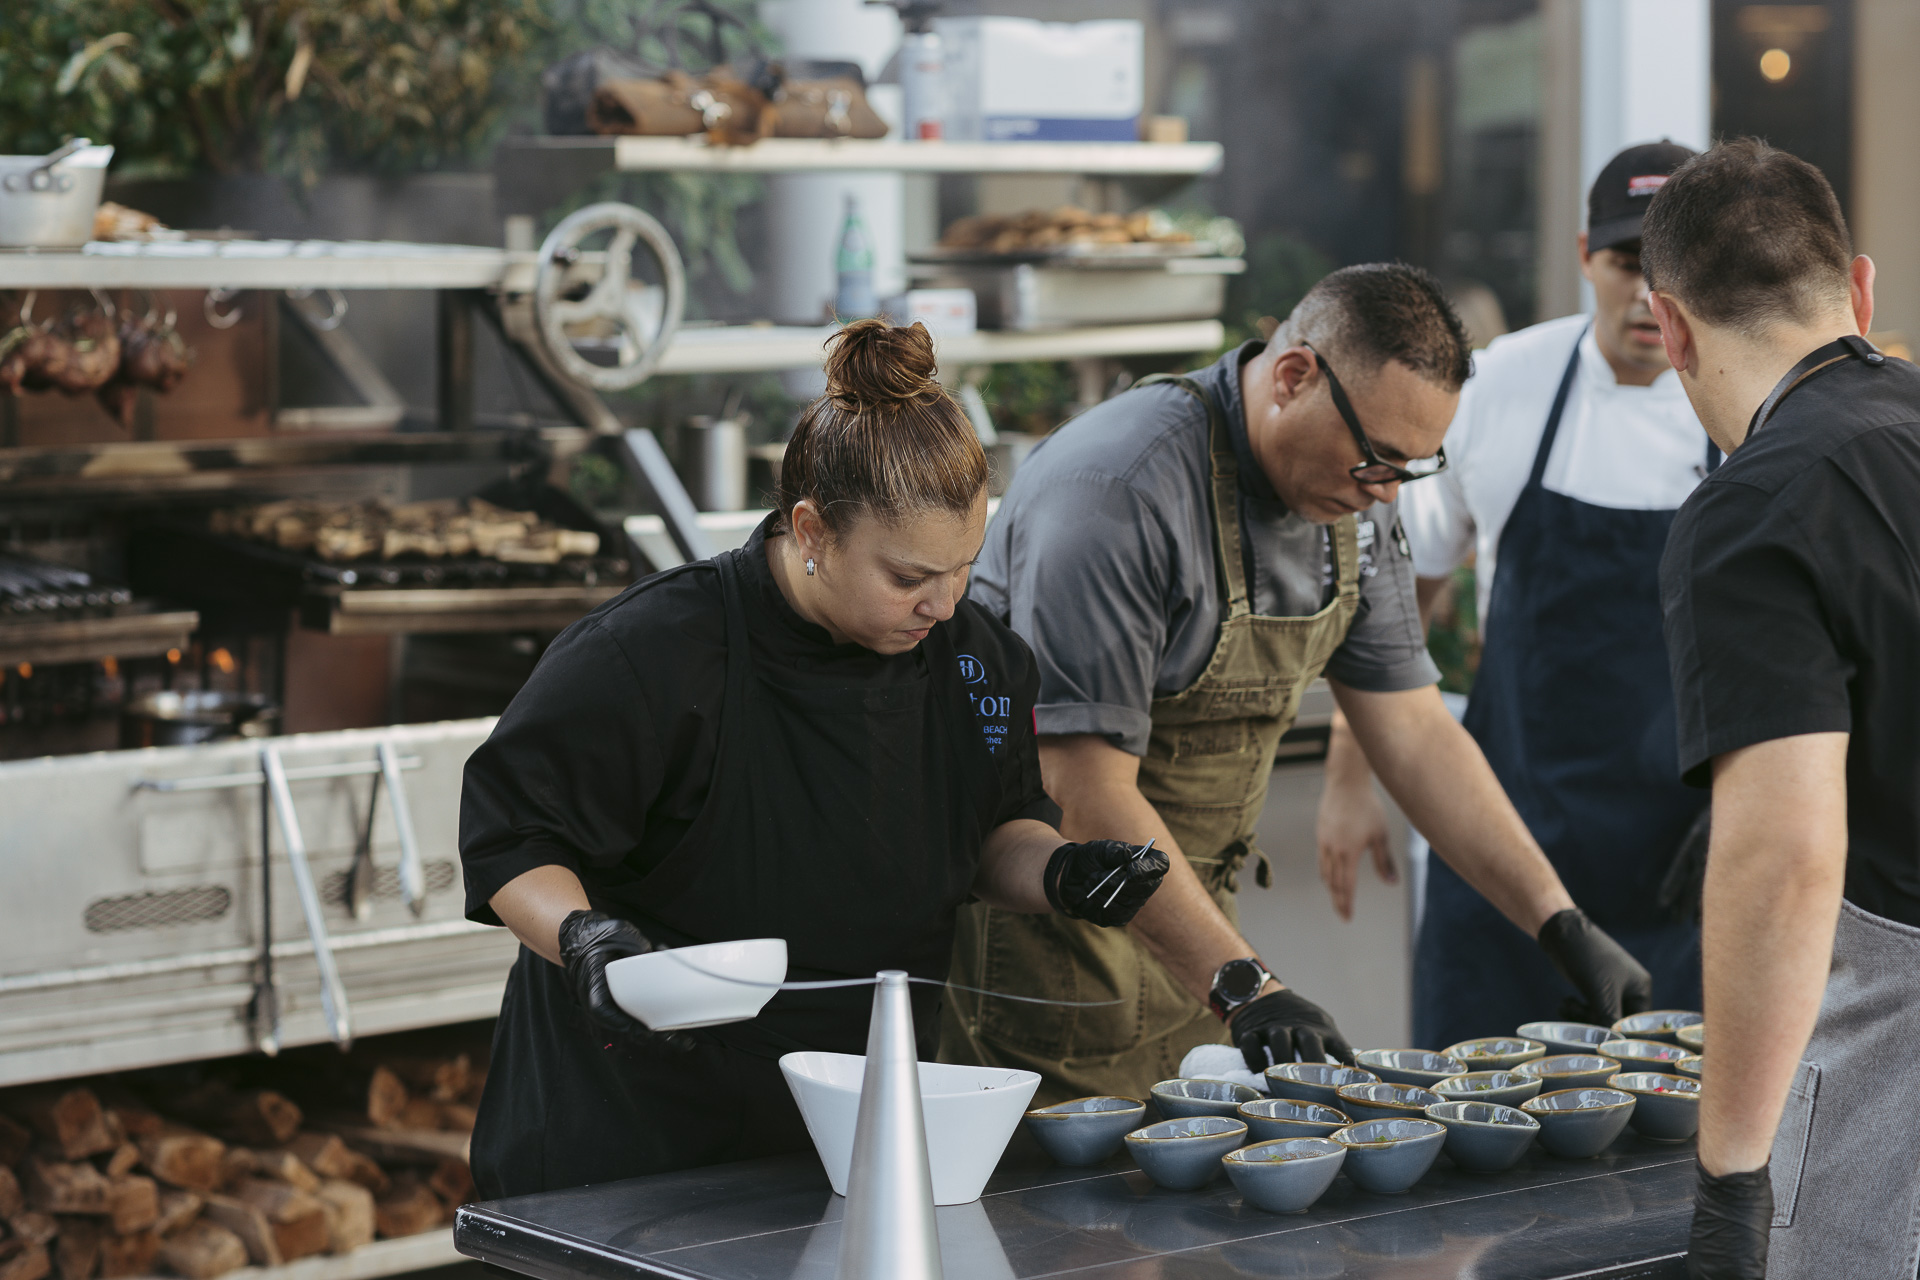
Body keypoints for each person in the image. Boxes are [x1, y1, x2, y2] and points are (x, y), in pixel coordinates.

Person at [457, 320, 1169, 1197]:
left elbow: (990, 831)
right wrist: (587, 939)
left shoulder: (977, 658)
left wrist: (1064, 872)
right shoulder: (652, 653)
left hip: (851, 1132)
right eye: (910, 578)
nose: (944, 606)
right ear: (812, 530)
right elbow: (512, 836)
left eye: (965, 568)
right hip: (632, 1133)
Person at [943, 264, 1651, 1103]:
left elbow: (1414, 730)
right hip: (1050, 947)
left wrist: (1558, 921)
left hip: (1190, 937)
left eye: (1410, 469)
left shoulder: (1357, 501)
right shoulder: (1115, 493)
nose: (1387, 492)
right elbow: (1084, 788)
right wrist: (1247, 987)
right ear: (1292, 377)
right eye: (1376, 463)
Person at [1318, 142, 1713, 1050]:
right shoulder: (1499, 388)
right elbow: (1397, 592)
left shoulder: (1743, 411)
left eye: (1675, 270)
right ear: (1584, 255)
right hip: (1506, 841)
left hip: (1680, 863)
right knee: (1473, 1129)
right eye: (1626, 264)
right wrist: (1350, 775)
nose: (1649, 295)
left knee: (1666, 1158)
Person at [1644, 140, 1918, 1280]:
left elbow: (1786, 858)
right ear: (1858, 289)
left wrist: (1730, 1180)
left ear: (1671, 328)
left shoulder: (1752, 508)